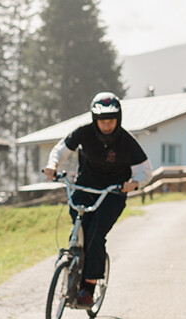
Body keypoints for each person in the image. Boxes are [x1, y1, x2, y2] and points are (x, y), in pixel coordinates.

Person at [42, 92, 153, 307]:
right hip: (84, 186)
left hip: (113, 193)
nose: (107, 125)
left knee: (96, 234)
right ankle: (75, 261)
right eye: (102, 121)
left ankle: (88, 287)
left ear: (118, 118)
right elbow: (61, 150)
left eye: (111, 120)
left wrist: (135, 183)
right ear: (95, 119)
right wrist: (53, 165)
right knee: (79, 225)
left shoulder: (127, 141)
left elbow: (145, 171)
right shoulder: (83, 133)